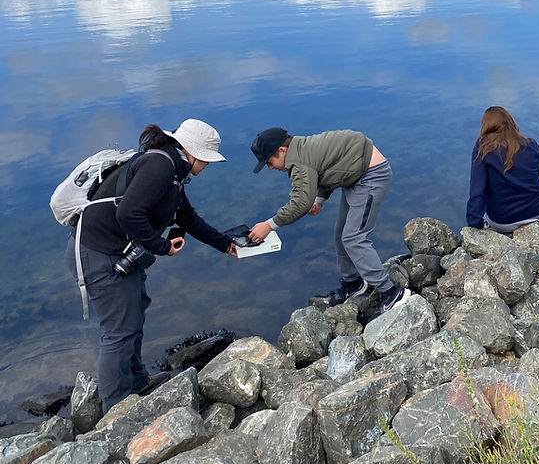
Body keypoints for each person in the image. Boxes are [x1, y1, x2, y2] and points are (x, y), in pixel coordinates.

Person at [67, 119, 236, 413]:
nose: (207, 166)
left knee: (134, 311)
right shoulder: (160, 167)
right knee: (119, 331)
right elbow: (129, 216)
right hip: (96, 252)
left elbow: (188, 218)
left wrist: (225, 244)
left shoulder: (172, 171)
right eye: (206, 160)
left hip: (111, 251)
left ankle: (136, 382)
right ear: (192, 152)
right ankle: (115, 408)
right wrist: (162, 247)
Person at [249, 127, 410, 312]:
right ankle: (354, 283)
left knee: (354, 238)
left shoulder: (298, 161)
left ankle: (391, 292)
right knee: (341, 233)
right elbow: (330, 168)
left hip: (371, 175)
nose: (270, 168)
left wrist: (269, 225)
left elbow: (301, 202)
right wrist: (320, 200)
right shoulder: (300, 148)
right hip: (354, 174)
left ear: (281, 151)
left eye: (269, 162)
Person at [466, 106, 539, 234]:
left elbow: (477, 191)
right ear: (511, 122)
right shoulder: (530, 143)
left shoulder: (483, 148)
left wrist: (474, 223)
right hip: (536, 213)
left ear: (486, 126)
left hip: (503, 221)